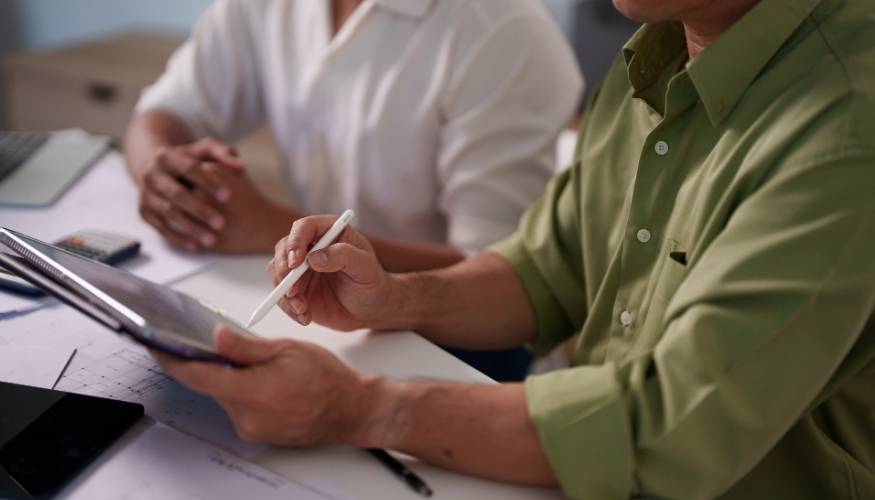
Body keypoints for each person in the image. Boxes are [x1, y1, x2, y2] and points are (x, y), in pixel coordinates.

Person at [154, 0, 875, 498]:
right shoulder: (657, 54)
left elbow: (670, 428)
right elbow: (544, 268)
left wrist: (358, 409)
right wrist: (396, 295)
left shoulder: (846, 129)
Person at [124, 0, 582, 273]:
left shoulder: (505, 33)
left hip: (455, 351)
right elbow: (160, 115)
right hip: (324, 306)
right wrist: (161, 173)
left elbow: (504, 282)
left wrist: (272, 231)